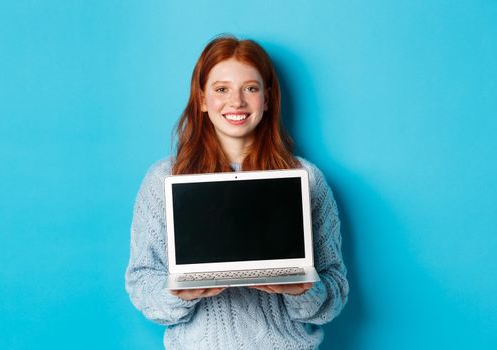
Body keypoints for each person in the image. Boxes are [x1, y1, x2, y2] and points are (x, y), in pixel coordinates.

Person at [125, 35, 349, 349]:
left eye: (251, 88)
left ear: (267, 99)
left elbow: (335, 289)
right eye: (221, 89)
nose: (237, 102)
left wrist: (303, 289)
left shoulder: (306, 178)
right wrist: (178, 294)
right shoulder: (164, 178)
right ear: (202, 99)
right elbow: (141, 280)